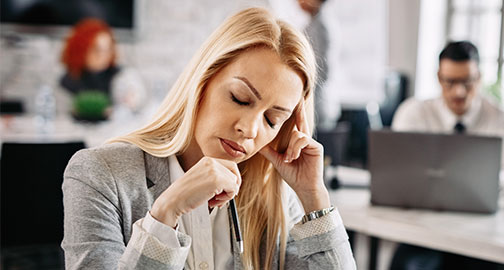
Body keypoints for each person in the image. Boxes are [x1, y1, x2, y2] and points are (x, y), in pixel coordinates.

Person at [61, 7, 356, 270]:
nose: (250, 130)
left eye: (272, 120)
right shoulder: (99, 174)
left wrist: (314, 197)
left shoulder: (277, 200)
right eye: (240, 99)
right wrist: (165, 214)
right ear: (202, 80)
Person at [389, 41, 504, 269]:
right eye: (451, 82)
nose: (459, 92)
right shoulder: (414, 113)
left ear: (479, 77)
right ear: (438, 77)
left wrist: (473, 184)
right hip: (426, 234)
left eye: (468, 82)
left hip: (485, 237)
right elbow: (397, 172)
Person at [60, 18, 146, 115]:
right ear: (81, 50)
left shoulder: (122, 77)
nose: (103, 55)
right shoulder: (69, 80)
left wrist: (132, 101)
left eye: (108, 49)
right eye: (96, 49)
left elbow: (136, 103)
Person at [298, 0, 340, 130]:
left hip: (318, 106)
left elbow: (322, 70)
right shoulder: (314, 24)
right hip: (316, 104)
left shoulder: (321, 28)